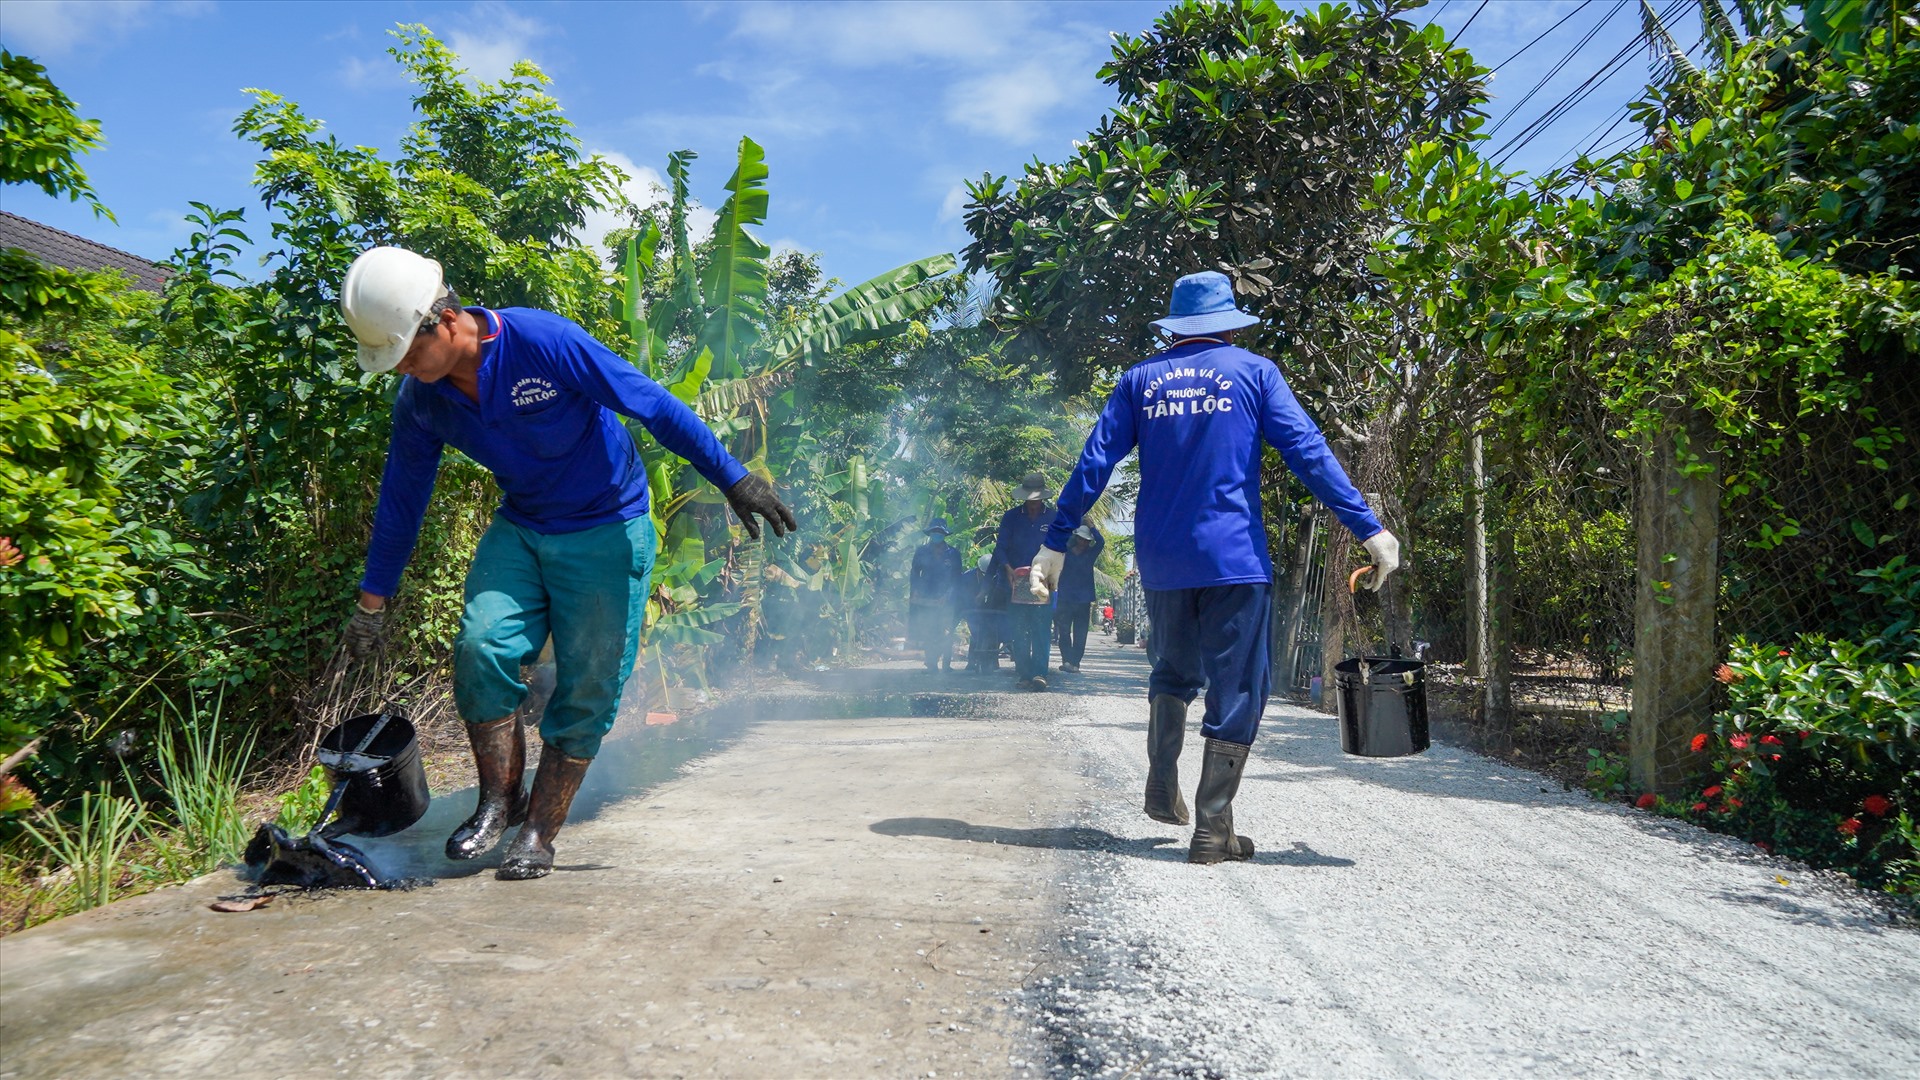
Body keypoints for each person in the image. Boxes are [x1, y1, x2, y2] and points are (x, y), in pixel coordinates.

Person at [336, 246, 795, 880]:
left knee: (587, 688)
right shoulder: (424, 400)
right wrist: (372, 601)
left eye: (408, 352)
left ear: (442, 320)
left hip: (608, 527)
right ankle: (499, 800)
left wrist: (733, 478)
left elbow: (652, 404)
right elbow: (401, 500)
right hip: (523, 526)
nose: (405, 369)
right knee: (481, 646)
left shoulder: (541, 341)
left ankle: (540, 832)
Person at [1028, 270, 1399, 864]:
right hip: (1233, 558)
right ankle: (1210, 828)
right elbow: (1307, 451)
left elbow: (1094, 461)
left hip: (1162, 560)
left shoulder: (1140, 380)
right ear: (1229, 323)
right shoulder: (1254, 373)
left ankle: (1161, 781)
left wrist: (1053, 540)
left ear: (1175, 325)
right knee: (1238, 686)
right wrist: (1368, 527)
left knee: (1173, 671)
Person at [991, 471, 1056, 691]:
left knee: (1041, 628)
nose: (1033, 502)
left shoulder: (1053, 517)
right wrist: (1008, 569)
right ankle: (1024, 674)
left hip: (1043, 581)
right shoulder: (1011, 516)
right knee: (1019, 629)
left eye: (1036, 498)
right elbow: (1000, 548)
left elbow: (1060, 550)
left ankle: (1039, 673)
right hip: (1016, 580)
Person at [908, 518, 963, 671]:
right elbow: (914, 572)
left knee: (946, 631)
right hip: (926, 597)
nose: (937, 535)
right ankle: (931, 662)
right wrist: (915, 590)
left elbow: (957, 578)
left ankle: (946, 664)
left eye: (940, 532)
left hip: (947, 598)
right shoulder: (921, 551)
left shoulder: (953, 553)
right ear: (930, 533)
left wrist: (948, 595)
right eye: (934, 532)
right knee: (929, 629)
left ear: (944, 534)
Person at [1053, 524, 1105, 672]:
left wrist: (1093, 527)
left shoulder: (1090, 554)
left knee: (1080, 633)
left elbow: (1101, 542)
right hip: (1065, 598)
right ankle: (1067, 661)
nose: (1084, 543)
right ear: (1076, 538)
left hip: (1083, 600)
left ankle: (1075, 663)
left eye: (1087, 540)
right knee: (1063, 631)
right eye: (1082, 539)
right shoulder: (1066, 552)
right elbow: (1061, 540)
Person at [958, 552, 1003, 674]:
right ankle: (972, 661)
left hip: (992, 610)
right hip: (972, 611)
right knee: (976, 633)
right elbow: (963, 598)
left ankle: (993, 660)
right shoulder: (966, 578)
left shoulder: (998, 576)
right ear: (978, 570)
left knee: (994, 631)